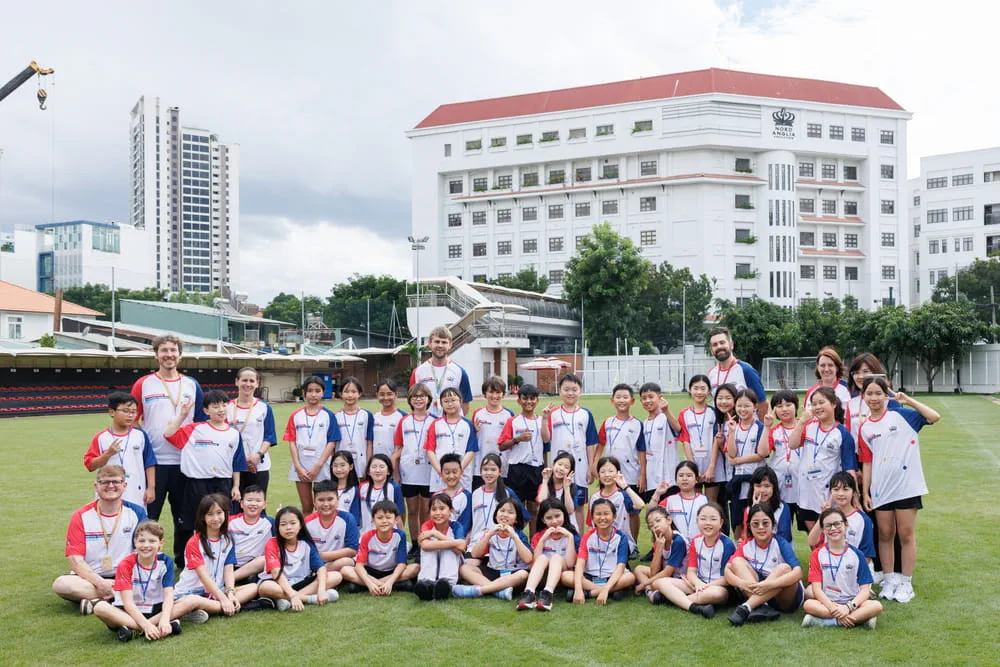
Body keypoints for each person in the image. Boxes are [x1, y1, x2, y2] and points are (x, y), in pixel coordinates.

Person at [858, 377, 940, 604]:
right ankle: (891, 579)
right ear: (863, 397)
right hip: (881, 490)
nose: (874, 398)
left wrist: (908, 400)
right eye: (869, 393)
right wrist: (865, 492)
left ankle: (906, 583)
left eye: (878, 393)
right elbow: (867, 462)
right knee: (885, 534)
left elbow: (934, 417)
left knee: (905, 534)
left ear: (886, 394)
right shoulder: (865, 428)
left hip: (907, 486)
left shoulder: (903, 415)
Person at [131, 334, 206, 566]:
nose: (169, 355)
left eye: (173, 350)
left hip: (186, 462)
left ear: (180, 355)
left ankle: (182, 562)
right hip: (154, 464)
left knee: (185, 517)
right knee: (148, 515)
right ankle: (144, 560)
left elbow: (202, 421)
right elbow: (133, 418)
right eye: (164, 350)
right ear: (156, 355)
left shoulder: (192, 385)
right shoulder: (144, 384)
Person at [53, 465, 148, 613]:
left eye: (116, 482)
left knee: (153, 578)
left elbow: (144, 552)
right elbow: (75, 561)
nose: (110, 486)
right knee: (62, 584)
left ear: (124, 485)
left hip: (125, 575)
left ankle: (97, 601)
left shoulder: (136, 513)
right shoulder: (81, 516)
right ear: (96, 486)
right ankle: (118, 598)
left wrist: (123, 579)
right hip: (89, 578)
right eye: (105, 482)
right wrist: (100, 583)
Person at [164, 389, 248, 552]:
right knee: (190, 522)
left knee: (220, 520)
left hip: (223, 483)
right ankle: (183, 559)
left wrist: (236, 486)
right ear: (206, 410)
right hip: (196, 482)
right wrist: (182, 415)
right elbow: (169, 434)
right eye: (216, 406)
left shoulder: (234, 434)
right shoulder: (194, 429)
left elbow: (237, 463)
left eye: (224, 405)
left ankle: (218, 553)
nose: (221, 410)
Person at [93, 520, 197, 642]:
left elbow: (169, 594)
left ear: (160, 544)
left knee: (190, 601)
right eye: (141, 541)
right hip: (129, 612)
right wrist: (147, 626)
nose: (146, 545)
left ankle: (134, 630)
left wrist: (164, 618)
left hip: (156, 609)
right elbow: (128, 603)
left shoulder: (165, 561)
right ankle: (154, 627)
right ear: (135, 543)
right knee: (100, 608)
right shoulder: (125, 564)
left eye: (152, 541)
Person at [172, 494, 259, 617]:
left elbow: (228, 570)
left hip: (216, 591)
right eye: (210, 514)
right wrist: (223, 599)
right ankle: (212, 607)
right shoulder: (194, 542)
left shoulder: (228, 539)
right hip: (191, 592)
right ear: (203, 517)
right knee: (193, 601)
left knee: (253, 587)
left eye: (219, 513)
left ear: (225, 514)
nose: (216, 518)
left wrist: (230, 592)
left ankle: (207, 608)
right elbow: (203, 577)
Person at [788, 386, 858, 532]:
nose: (817, 407)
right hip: (805, 493)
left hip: (827, 495)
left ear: (833, 404)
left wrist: (854, 497)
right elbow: (792, 444)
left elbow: (849, 469)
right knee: (812, 537)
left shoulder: (842, 434)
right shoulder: (808, 426)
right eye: (814, 404)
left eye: (821, 403)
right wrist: (801, 422)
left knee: (829, 534)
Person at [802, 508, 883, 628]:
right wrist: (831, 607)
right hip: (828, 602)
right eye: (828, 525)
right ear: (823, 530)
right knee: (808, 604)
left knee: (876, 606)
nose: (833, 529)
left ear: (845, 525)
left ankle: (828, 622)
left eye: (837, 524)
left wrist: (848, 607)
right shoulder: (817, 554)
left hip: (852, 602)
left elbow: (865, 590)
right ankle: (859, 619)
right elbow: (817, 589)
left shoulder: (857, 554)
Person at [725, 504, 804, 626]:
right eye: (755, 524)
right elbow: (727, 571)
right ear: (749, 526)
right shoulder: (746, 544)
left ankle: (746, 607)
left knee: (784, 568)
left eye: (765, 523)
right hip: (761, 591)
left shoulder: (780, 543)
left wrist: (770, 584)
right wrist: (741, 583)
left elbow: (798, 573)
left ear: (773, 524)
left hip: (784, 598)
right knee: (736, 562)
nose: (760, 528)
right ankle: (760, 605)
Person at [653, 502, 734, 618]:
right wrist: (697, 583)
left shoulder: (727, 544)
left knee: (717, 594)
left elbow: (726, 579)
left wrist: (704, 587)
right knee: (659, 582)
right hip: (696, 585)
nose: (708, 523)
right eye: (703, 519)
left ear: (721, 523)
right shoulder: (695, 542)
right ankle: (693, 606)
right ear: (697, 521)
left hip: (717, 587)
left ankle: (673, 600)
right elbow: (691, 572)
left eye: (713, 519)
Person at [541, 373, 599, 529]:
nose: (570, 393)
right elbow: (546, 439)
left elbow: (590, 443)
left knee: (579, 505)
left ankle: (579, 541)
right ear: (559, 391)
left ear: (580, 391)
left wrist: (590, 468)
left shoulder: (586, 414)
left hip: (579, 468)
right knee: (556, 504)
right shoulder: (553, 414)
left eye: (574, 389)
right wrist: (545, 419)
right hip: (558, 468)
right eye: (566, 389)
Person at [84, 392, 156, 508]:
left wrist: (151, 488)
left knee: (136, 523)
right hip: (109, 491)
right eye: (125, 411)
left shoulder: (140, 435)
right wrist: (108, 454)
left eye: (133, 412)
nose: (130, 415)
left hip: (136, 493)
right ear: (112, 412)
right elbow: (90, 465)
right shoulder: (102, 437)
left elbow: (150, 463)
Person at [257, 506, 336, 611]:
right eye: (283, 524)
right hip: (279, 583)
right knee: (265, 587)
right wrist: (293, 596)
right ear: (277, 527)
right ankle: (310, 599)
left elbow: (321, 568)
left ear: (300, 525)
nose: (288, 527)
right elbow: (276, 573)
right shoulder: (272, 543)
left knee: (336, 576)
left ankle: (285, 599)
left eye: (293, 523)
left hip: (301, 582)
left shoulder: (306, 544)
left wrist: (321, 590)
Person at [284, 376, 342, 515]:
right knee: (307, 506)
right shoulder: (295, 416)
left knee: (323, 507)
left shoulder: (328, 415)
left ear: (323, 392)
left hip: (322, 467)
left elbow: (332, 442)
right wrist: (298, 467)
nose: (313, 394)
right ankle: (307, 535)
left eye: (317, 390)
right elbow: (292, 441)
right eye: (310, 390)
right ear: (304, 392)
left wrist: (318, 466)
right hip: (301, 467)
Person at [454, 498, 533, 600]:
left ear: (516, 519)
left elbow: (528, 559)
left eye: (510, 512)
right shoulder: (490, 533)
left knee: (523, 574)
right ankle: (499, 591)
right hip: (493, 571)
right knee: (464, 569)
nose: (505, 515)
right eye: (502, 511)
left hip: (512, 573)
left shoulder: (519, 535)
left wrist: (514, 537)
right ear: (496, 515)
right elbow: (475, 554)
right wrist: (488, 535)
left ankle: (478, 590)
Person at [596, 384, 646, 540]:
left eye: (625, 397)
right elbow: (600, 445)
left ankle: (633, 543)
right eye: (618, 397)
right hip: (609, 475)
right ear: (612, 400)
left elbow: (642, 451)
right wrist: (594, 465)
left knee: (633, 511)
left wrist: (642, 474)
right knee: (609, 509)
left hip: (630, 474)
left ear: (632, 401)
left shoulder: (637, 424)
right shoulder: (608, 422)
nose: (621, 400)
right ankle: (610, 540)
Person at [342, 500, 419, 595]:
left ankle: (375, 586)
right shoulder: (367, 536)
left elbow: (402, 564)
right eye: (380, 518)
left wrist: (390, 581)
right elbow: (359, 565)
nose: (384, 521)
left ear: (396, 520)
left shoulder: (400, 535)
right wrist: (370, 584)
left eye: (388, 517)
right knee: (345, 570)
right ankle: (381, 586)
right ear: (373, 520)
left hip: (391, 572)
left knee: (415, 568)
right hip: (371, 572)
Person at [516, 498, 579, 611]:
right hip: (542, 576)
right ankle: (529, 592)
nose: (554, 521)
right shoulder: (539, 536)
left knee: (556, 558)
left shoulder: (571, 535)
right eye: (549, 518)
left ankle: (548, 594)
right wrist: (543, 539)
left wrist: (569, 537)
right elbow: (534, 563)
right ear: (543, 520)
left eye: (557, 516)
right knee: (542, 557)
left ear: (564, 515)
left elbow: (570, 564)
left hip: (563, 576)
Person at [570, 498, 635, 605]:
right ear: (592, 518)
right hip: (590, 576)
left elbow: (621, 566)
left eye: (606, 514)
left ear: (614, 517)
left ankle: (591, 593)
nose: (602, 518)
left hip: (612, 576)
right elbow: (580, 564)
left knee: (630, 577)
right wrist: (577, 589)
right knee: (566, 576)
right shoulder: (587, 536)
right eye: (598, 514)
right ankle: (611, 590)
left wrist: (605, 589)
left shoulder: (621, 537)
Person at [394, 383, 433, 559]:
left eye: (422, 396)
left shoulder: (434, 421)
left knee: (426, 510)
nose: (418, 399)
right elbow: (398, 447)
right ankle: (416, 543)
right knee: (412, 510)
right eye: (415, 396)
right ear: (410, 400)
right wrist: (396, 472)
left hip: (427, 471)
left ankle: (425, 541)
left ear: (428, 399)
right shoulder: (404, 421)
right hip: (408, 470)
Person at [499, 383, 547, 525]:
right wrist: (517, 439)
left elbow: (546, 444)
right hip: (517, 469)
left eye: (532, 398)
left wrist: (545, 466)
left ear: (537, 400)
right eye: (525, 398)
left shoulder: (541, 421)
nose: (529, 402)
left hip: (536, 468)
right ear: (519, 400)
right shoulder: (513, 421)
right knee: (516, 508)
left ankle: (533, 542)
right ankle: (515, 541)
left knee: (534, 508)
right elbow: (501, 445)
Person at [725, 389, 768, 540]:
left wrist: (738, 461)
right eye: (739, 406)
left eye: (747, 406)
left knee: (756, 516)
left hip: (755, 480)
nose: (743, 410)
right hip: (737, 480)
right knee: (738, 520)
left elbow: (761, 454)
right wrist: (730, 432)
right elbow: (731, 453)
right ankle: (738, 550)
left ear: (755, 407)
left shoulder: (760, 427)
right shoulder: (734, 427)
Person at [807, 472, 875, 568]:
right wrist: (823, 516)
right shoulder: (828, 516)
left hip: (852, 570)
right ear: (831, 492)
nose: (841, 494)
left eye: (846, 489)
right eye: (836, 489)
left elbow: (867, 555)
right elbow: (811, 541)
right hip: (829, 568)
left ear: (853, 493)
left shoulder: (863, 520)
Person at [227, 367, 276, 496]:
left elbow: (269, 436)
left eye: (251, 381)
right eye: (244, 380)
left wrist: (257, 456)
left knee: (256, 504)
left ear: (257, 383)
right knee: (235, 506)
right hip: (233, 466)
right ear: (236, 382)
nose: (248, 384)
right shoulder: (227, 407)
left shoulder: (264, 408)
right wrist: (241, 460)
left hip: (258, 465)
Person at [409, 325, 473, 418]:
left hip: (450, 427)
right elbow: (413, 401)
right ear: (430, 343)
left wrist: (451, 422)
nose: (440, 345)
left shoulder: (460, 372)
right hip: (426, 425)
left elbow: (465, 405)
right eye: (437, 341)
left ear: (450, 345)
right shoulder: (418, 372)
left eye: (444, 342)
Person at [424, 386, 478, 493]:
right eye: (446, 401)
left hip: (462, 474)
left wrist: (458, 470)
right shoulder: (435, 424)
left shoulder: (468, 425)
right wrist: (441, 471)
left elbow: (470, 450)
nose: (450, 404)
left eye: (453, 400)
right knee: (440, 506)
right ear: (441, 404)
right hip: (440, 475)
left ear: (461, 401)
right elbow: (430, 450)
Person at [414, 492, 468, 601]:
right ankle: (426, 583)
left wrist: (436, 534)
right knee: (430, 549)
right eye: (434, 509)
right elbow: (424, 545)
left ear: (450, 510)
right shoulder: (427, 525)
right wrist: (453, 543)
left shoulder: (456, 526)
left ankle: (447, 584)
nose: (438, 513)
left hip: (451, 566)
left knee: (448, 550)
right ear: (430, 512)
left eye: (442, 508)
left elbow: (461, 548)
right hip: (432, 563)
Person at [677, 375, 722, 501]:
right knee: (694, 503)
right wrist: (693, 469)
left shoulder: (715, 413)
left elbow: (716, 440)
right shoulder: (684, 414)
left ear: (709, 391)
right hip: (693, 464)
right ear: (690, 390)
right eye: (695, 388)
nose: (699, 392)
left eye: (703, 388)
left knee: (711, 505)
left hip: (712, 465)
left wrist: (711, 467)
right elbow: (685, 440)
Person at [586, 457, 644, 555]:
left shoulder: (623, 495)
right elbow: (591, 524)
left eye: (611, 471)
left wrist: (625, 486)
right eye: (603, 472)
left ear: (618, 473)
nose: (607, 475)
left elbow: (640, 505)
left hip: (621, 543)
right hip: (600, 542)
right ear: (598, 475)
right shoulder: (594, 497)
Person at [706, 327, 767, 419]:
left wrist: (761, 430)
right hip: (723, 430)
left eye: (722, 342)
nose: (719, 347)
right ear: (711, 350)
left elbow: (763, 404)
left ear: (731, 345)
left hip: (747, 430)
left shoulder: (746, 370)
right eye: (715, 344)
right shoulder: (711, 374)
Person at [305, 481, 359, 579]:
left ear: (338, 500)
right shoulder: (307, 522)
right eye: (321, 500)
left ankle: (317, 576)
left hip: (337, 561)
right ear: (314, 502)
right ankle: (322, 576)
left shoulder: (347, 518)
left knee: (346, 562)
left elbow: (352, 550)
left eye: (330, 499)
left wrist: (323, 556)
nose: (326, 504)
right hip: (315, 562)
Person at [633, 507, 687, 604]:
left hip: (681, 578)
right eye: (651, 525)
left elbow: (667, 572)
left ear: (669, 520)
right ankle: (650, 593)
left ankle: (655, 591)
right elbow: (654, 572)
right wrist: (659, 547)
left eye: (658, 520)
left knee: (656, 582)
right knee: (638, 569)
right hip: (668, 577)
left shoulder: (678, 541)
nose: (655, 526)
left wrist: (643, 584)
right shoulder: (660, 540)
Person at [766, 390, 803, 532]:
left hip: (803, 487)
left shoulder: (806, 427)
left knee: (810, 528)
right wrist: (766, 427)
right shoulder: (773, 431)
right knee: (781, 528)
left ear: (796, 406)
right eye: (779, 406)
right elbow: (763, 452)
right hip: (781, 487)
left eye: (788, 405)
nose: (784, 409)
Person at [638, 382, 681, 504]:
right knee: (655, 513)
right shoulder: (644, 423)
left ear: (660, 397)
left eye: (651, 397)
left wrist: (666, 410)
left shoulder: (665, 418)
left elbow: (678, 429)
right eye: (644, 398)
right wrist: (643, 475)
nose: (647, 401)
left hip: (669, 477)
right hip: (651, 477)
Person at [467, 454, 522, 546]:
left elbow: (522, 517)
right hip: (476, 543)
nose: (489, 473)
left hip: (499, 544)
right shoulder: (475, 493)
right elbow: (472, 521)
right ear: (480, 472)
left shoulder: (507, 492)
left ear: (500, 472)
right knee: (469, 561)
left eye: (493, 470)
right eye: (485, 469)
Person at [471, 376, 514, 489]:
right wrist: (474, 430)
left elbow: (512, 441)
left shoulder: (509, 415)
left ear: (503, 394)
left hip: (502, 466)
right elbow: (471, 439)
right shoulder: (478, 413)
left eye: (498, 392)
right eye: (491, 392)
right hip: (480, 466)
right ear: (485, 394)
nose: (494, 396)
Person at [649, 461, 708, 542]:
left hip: (699, 546)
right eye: (680, 475)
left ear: (696, 479)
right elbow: (650, 515)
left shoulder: (704, 500)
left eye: (689, 475)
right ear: (676, 479)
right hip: (675, 546)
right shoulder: (670, 500)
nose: (684, 479)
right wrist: (657, 494)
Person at [230, 485, 274, 583]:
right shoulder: (231, 522)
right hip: (231, 565)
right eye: (249, 500)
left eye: (258, 501)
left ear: (264, 505)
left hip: (255, 567)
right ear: (241, 504)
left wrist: (281, 516)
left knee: (264, 559)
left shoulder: (270, 523)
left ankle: (227, 580)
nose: (253, 504)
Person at [335, 377, 374, 477]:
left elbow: (369, 443)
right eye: (346, 391)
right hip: (340, 465)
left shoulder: (367, 415)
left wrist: (368, 465)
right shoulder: (335, 416)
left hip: (361, 463)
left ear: (359, 394)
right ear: (340, 394)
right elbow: (332, 445)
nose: (350, 395)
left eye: (353, 391)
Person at [743, 467, 793, 543]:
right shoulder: (748, 510)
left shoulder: (782, 508)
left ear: (774, 487)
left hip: (778, 549)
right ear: (753, 487)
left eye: (767, 486)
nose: (762, 490)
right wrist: (754, 511)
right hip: (755, 550)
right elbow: (747, 537)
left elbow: (785, 537)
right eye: (758, 486)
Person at [358, 454, 406, 533]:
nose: (377, 470)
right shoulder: (362, 487)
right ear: (368, 471)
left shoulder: (394, 487)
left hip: (389, 533)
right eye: (374, 467)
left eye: (382, 467)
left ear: (388, 471)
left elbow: (398, 515)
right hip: (366, 533)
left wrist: (402, 536)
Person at [804, 347, 853, 421]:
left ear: (837, 367)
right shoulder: (810, 392)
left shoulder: (849, 390)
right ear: (818, 367)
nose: (826, 369)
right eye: (822, 365)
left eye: (830, 365)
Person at [536, 451, 578, 531]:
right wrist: (545, 481)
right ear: (553, 464)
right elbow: (542, 502)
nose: (561, 469)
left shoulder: (572, 487)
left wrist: (566, 488)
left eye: (566, 467)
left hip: (567, 526)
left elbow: (570, 510)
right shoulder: (545, 485)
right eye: (559, 464)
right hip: (549, 526)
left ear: (570, 472)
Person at [437, 453, 473, 536]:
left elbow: (467, 522)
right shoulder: (437, 496)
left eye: (454, 472)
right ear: (441, 474)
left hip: (459, 541)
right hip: (439, 541)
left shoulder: (467, 496)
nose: (451, 476)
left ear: (461, 473)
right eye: (447, 472)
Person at [372, 379, 406, 460]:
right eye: (382, 394)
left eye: (389, 394)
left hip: (396, 464)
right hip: (377, 465)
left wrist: (393, 458)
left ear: (396, 394)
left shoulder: (403, 417)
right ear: (377, 395)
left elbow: (407, 443)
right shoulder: (373, 417)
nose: (386, 398)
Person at [331, 451, 362, 525]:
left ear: (351, 467)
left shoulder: (355, 490)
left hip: (347, 527)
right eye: (335, 465)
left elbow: (355, 517)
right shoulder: (328, 487)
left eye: (342, 465)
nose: (338, 469)